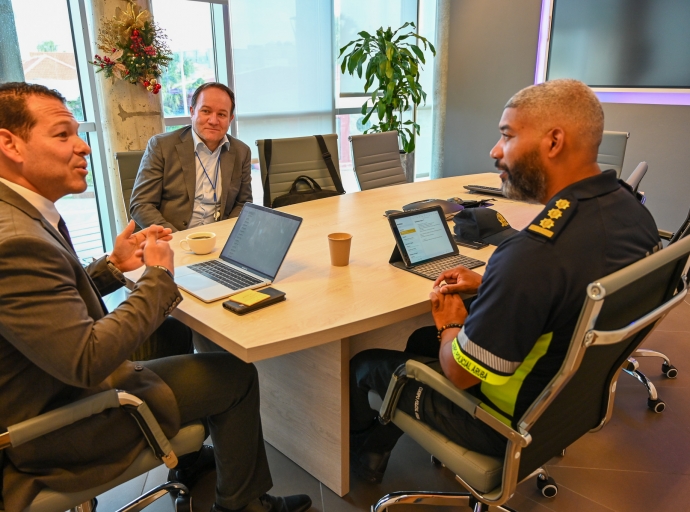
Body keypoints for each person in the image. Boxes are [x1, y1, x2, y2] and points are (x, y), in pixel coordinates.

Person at [0, 82, 311, 512]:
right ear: (9, 144)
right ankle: (243, 505)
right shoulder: (16, 240)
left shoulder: (17, 215)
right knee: (236, 375)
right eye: (62, 134)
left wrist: (111, 268)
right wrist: (160, 274)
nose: (83, 148)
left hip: (48, 385)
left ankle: (188, 462)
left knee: (167, 336)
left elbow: (54, 298)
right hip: (61, 422)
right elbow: (87, 358)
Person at [349, 78, 661, 483]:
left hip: (505, 422)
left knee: (364, 364)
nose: (494, 151)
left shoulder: (533, 255)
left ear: (553, 142)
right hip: (567, 405)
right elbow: (572, 286)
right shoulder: (633, 214)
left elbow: (459, 373)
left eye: (507, 136)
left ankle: (361, 463)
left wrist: (449, 322)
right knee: (416, 343)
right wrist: (491, 285)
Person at [130, 82, 252, 231]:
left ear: (230, 119)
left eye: (221, 114)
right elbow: (141, 205)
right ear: (192, 112)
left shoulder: (241, 152)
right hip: (173, 237)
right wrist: (174, 238)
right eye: (206, 111)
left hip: (219, 238)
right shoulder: (161, 146)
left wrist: (227, 232)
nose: (213, 121)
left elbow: (243, 203)